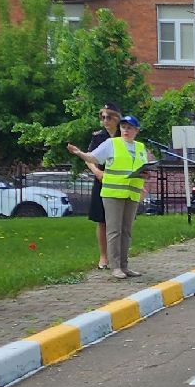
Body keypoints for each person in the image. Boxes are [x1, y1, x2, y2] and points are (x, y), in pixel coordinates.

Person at [69, 115, 153, 277]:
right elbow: (93, 157)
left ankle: (124, 265)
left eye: (130, 128)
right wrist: (79, 153)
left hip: (132, 193)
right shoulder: (111, 143)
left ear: (136, 130)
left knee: (126, 230)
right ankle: (115, 266)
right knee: (114, 230)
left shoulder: (140, 147)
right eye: (123, 127)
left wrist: (145, 175)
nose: (126, 130)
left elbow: (140, 168)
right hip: (113, 193)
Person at [83, 103, 123, 269]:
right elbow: (89, 157)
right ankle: (104, 257)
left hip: (121, 181)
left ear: (117, 118)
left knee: (120, 221)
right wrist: (97, 172)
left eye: (109, 117)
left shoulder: (124, 133)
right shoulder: (99, 137)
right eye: (103, 117)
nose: (105, 120)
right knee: (102, 220)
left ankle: (120, 257)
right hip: (102, 180)